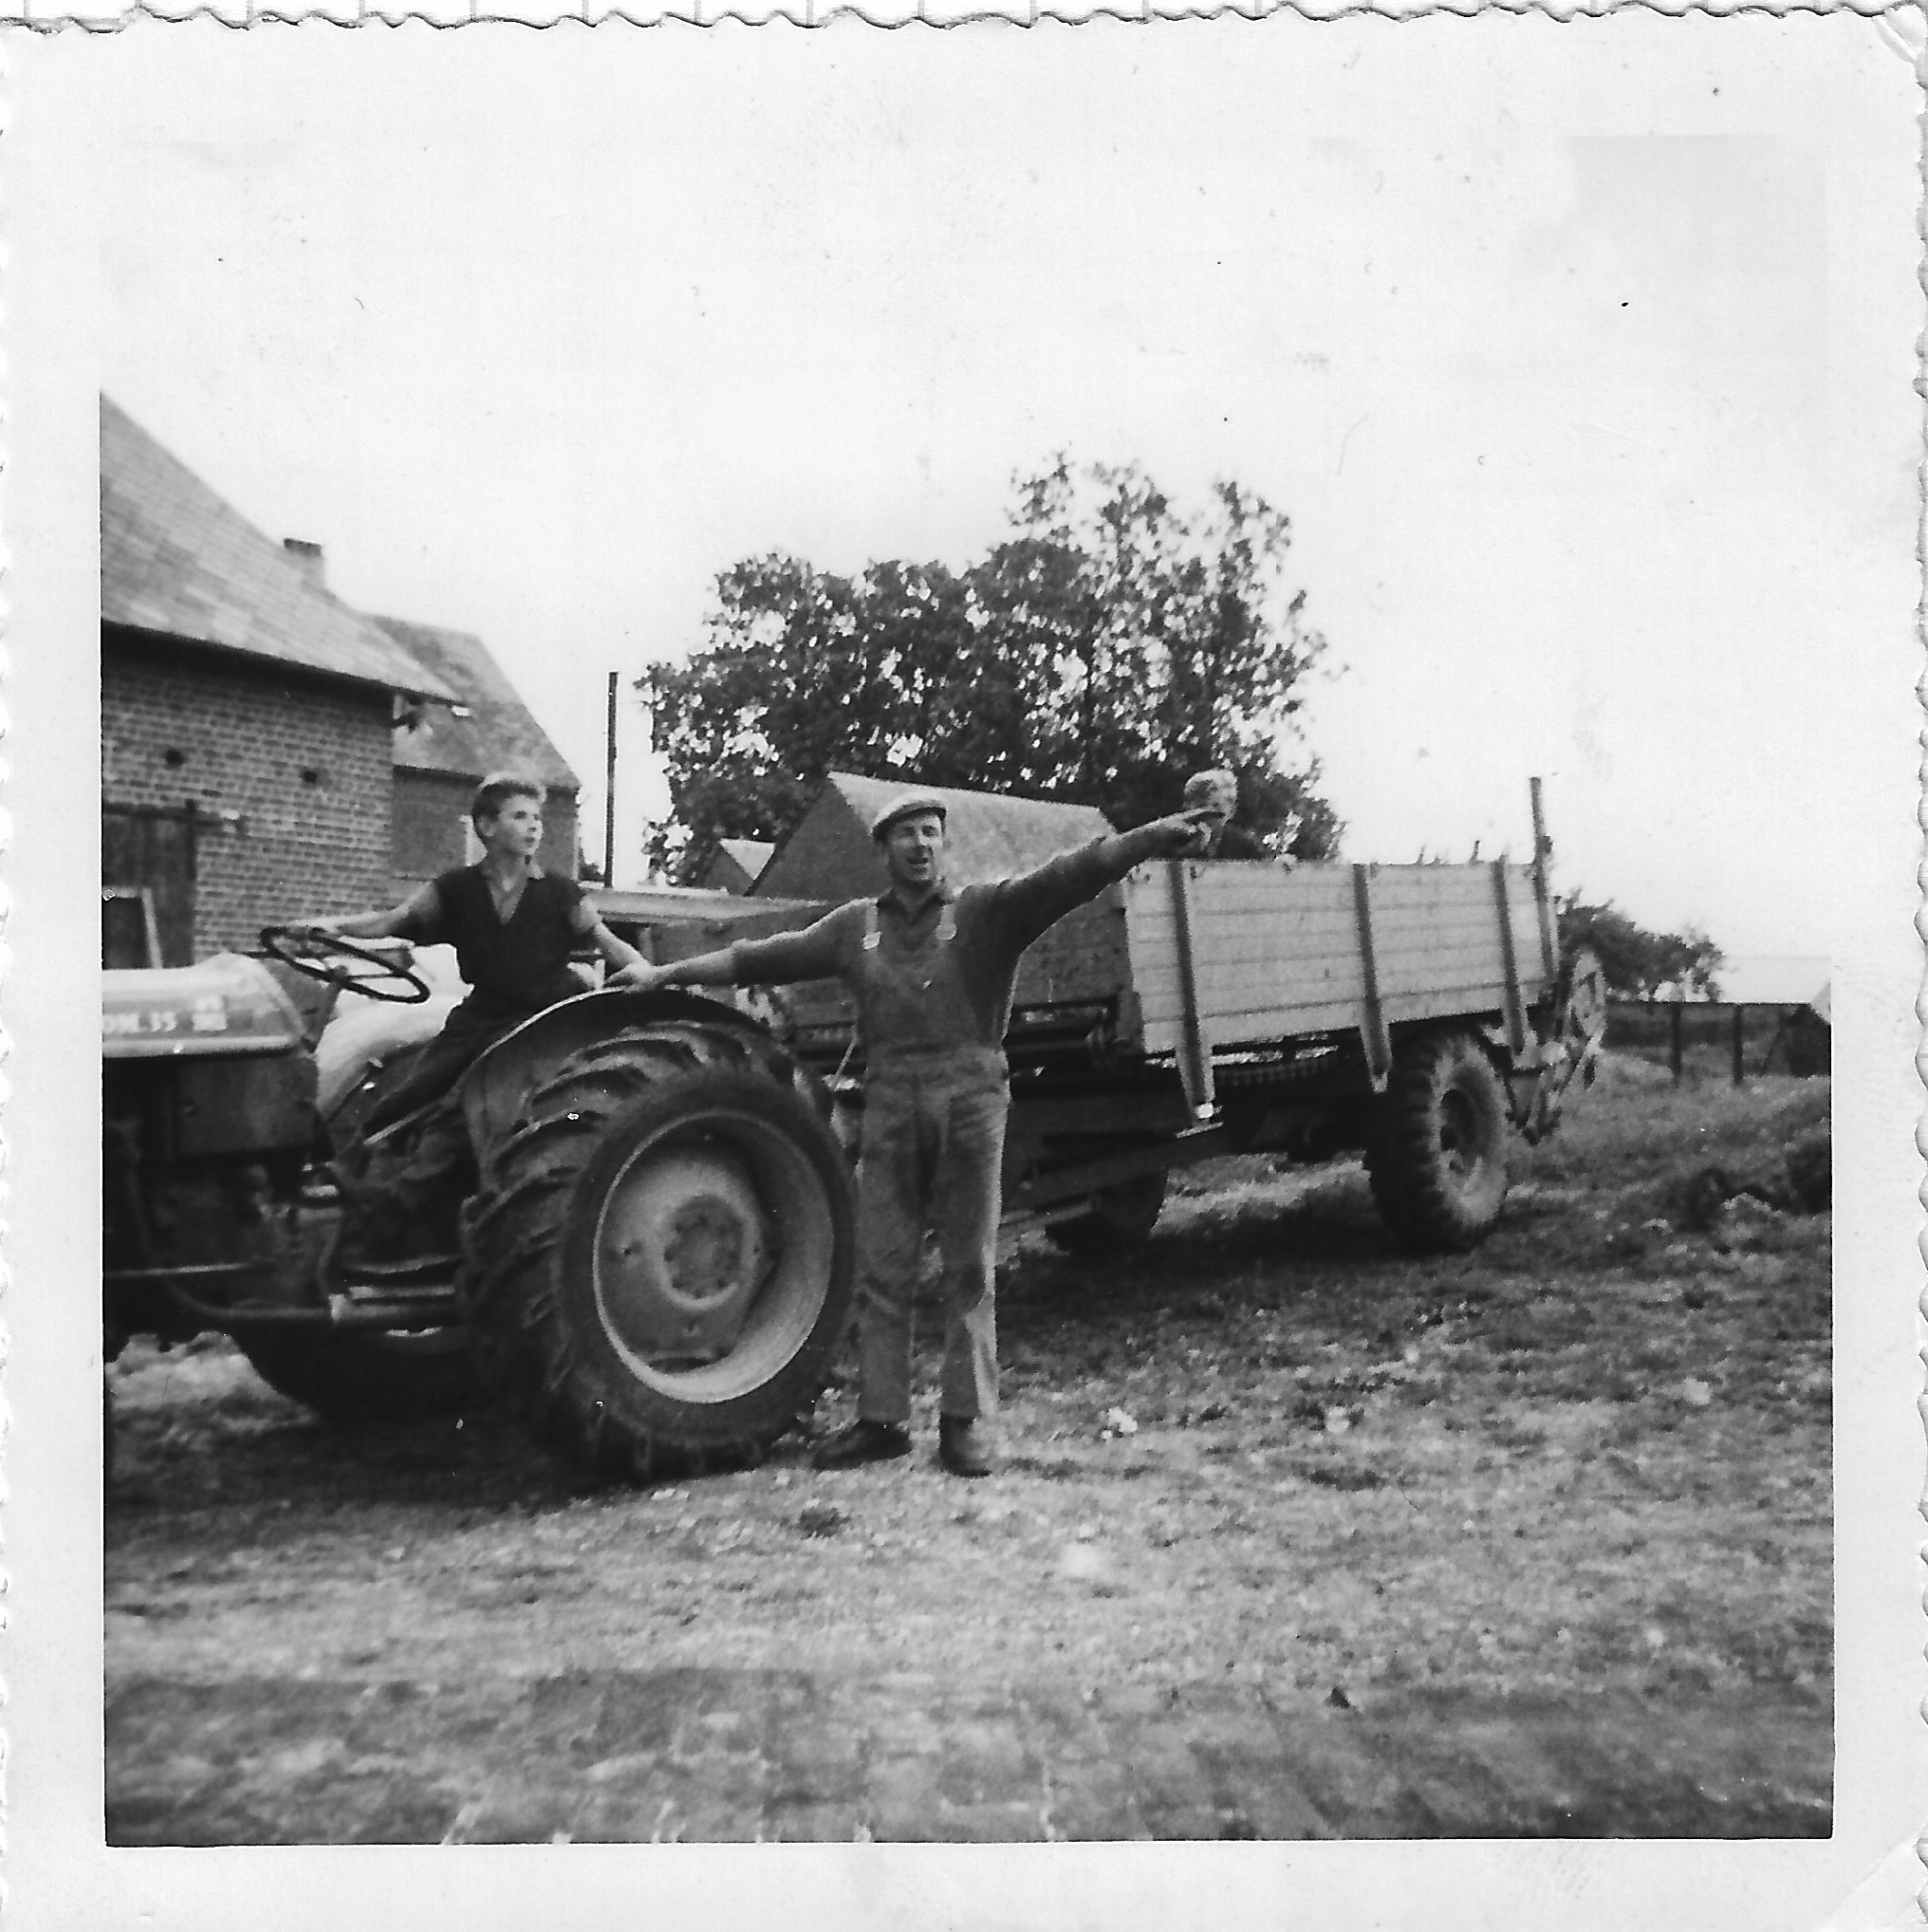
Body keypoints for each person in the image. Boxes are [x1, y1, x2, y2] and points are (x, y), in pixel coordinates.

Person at [612, 786, 1218, 1477]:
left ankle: (965, 1423)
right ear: (884, 848)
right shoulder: (853, 927)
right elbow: (758, 958)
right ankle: (882, 1421)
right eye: (907, 834)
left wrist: (1151, 835)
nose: (921, 844)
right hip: (890, 1101)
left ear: (943, 843)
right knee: (883, 1266)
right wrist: (663, 972)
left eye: (931, 832)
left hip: (971, 1098)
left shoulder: (988, 911)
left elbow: (1076, 872)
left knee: (967, 1267)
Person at [314, 771, 643, 1243]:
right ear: (486, 827)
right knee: (405, 1096)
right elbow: (391, 922)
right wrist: (328, 927)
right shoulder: (456, 888)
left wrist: (653, 975)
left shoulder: (560, 894)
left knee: (461, 1109)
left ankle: (393, 1213)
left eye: (538, 818)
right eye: (520, 816)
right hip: (482, 1014)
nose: (534, 827)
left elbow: (608, 944)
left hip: (540, 1021)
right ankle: (346, 1182)